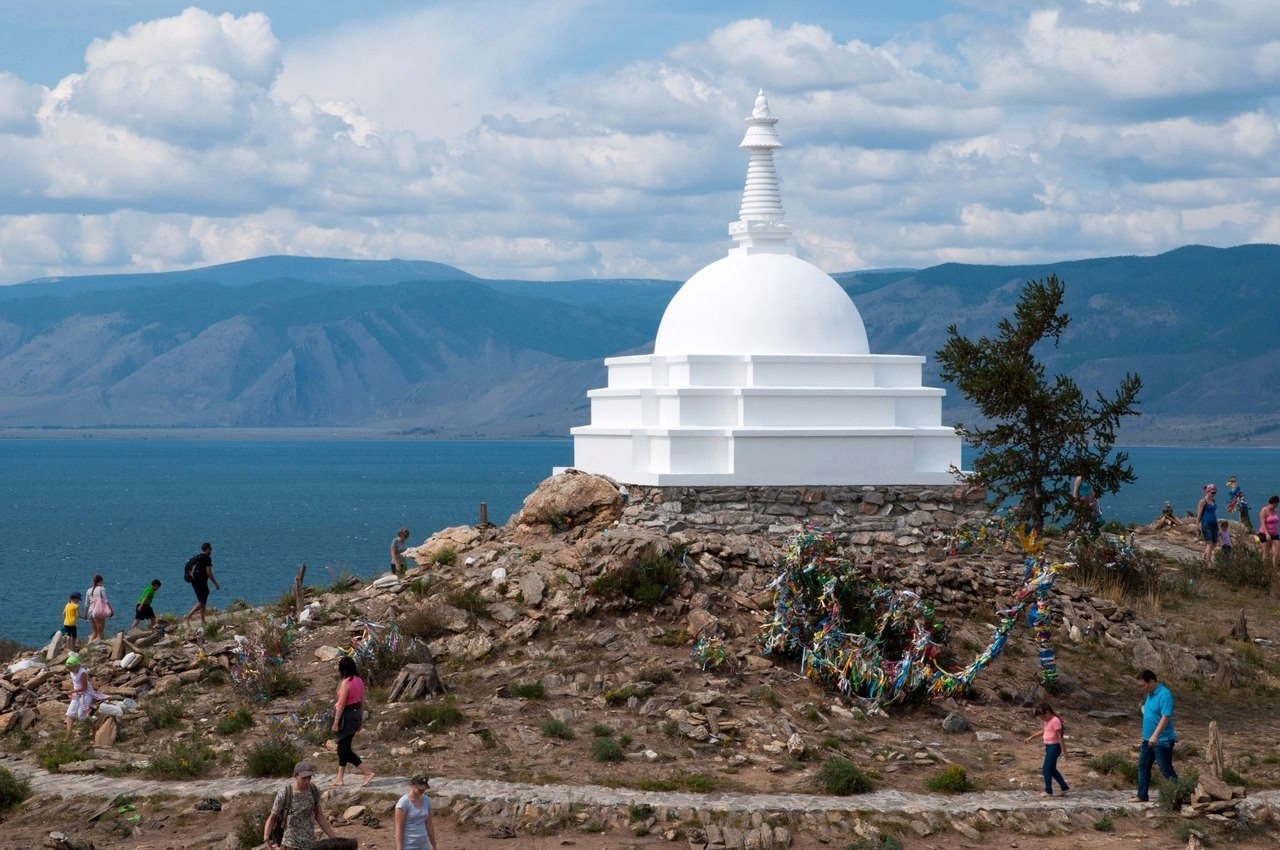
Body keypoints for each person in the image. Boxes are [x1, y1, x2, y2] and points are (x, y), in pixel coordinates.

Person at [264, 761, 339, 850]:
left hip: (309, 843)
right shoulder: (285, 794)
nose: (307, 781)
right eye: (304, 778)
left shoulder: (314, 790)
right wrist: (266, 835)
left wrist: (334, 838)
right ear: (295, 776)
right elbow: (273, 816)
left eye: (309, 777)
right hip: (290, 844)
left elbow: (319, 816)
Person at [1132, 669, 1177, 803]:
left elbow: (1166, 717)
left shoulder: (1165, 694)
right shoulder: (1150, 694)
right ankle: (1142, 795)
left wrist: (1155, 735)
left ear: (1151, 682)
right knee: (1143, 766)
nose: (1142, 688)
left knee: (1165, 768)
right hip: (1147, 739)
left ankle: (1179, 792)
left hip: (1161, 740)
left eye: (1143, 685)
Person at [330, 656, 374, 787]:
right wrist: (360, 720)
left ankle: (367, 772)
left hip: (346, 716)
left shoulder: (346, 683)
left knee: (343, 750)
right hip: (355, 715)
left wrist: (336, 722)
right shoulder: (359, 681)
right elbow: (362, 701)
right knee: (345, 746)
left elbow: (342, 704)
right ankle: (339, 778)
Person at [1023, 702, 1069, 797]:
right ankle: (1064, 788)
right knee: (1051, 769)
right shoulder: (1048, 721)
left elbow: (1060, 737)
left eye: (1042, 717)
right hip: (1049, 747)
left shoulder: (1055, 721)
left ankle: (1048, 790)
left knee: (1046, 768)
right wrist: (1031, 737)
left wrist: (1064, 751)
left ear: (1047, 713)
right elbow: (1045, 730)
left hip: (1054, 747)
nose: (1041, 719)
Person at [394, 772, 438, 850]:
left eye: (424, 788)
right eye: (419, 788)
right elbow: (399, 829)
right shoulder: (403, 803)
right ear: (411, 784)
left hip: (423, 845)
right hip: (408, 845)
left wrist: (434, 846)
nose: (422, 790)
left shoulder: (427, 800)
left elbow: (429, 825)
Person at [182, 542, 221, 627]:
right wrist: (215, 583)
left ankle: (202, 620)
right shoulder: (207, 558)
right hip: (200, 582)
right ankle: (187, 616)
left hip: (194, 581)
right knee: (202, 601)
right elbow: (209, 573)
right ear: (207, 549)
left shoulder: (198, 557)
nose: (211, 549)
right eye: (210, 548)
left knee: (203, 599)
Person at [64, 652, 102, 734]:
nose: (69, 670)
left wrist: (72, 691)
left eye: (71, 668)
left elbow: (84, 687)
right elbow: (75, 683)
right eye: (68, 668)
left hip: (86, 693)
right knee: (70, 714)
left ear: (76, 666)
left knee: (81, 716)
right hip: (77, 693)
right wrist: (74, 692)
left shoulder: (82, 673)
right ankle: (68, 735)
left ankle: (93, 728)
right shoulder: (71, 671)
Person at [1260, 495, 1280, 598]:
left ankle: (1274, 570)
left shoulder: (1275, 510)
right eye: (1276, 503)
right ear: (1272, 502)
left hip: (1275, 534)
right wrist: (1267, 534)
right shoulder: (1264, 510)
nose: (1277, 505)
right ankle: (1265, 571)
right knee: (1266, 553)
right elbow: (1263, 523)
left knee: (1276, 553)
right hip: (1264, 534)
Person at [84, 574, 112, 642]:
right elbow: (106, 600)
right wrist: (111, 610)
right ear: (100, 581)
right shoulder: (102, 588)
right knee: (100, 633)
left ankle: (88, 646)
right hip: (98, 612)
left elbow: (86, 604)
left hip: (90, 613)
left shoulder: (88, 590)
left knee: (94, 632)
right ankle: (97, 649)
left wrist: (85, 614)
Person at [1196, 484, 1218, 567]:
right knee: (1209, 543)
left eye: (1215, 493)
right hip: (1206, 523)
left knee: (1214, 544)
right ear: (1207, 491)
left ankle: (1204, 557)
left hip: (1214, 523)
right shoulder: (1203, 501)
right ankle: (1208, 562)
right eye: (1212, 492)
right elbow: (1199, 513)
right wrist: (1197, 525)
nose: (1213, 494)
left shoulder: (1213, 501)